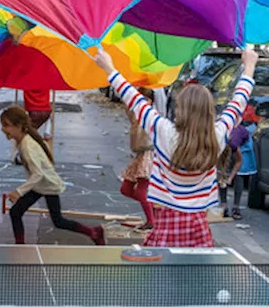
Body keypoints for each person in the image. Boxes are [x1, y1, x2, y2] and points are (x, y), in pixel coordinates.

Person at [96, 48, 257, 248]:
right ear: (209, 111)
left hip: (165, 229)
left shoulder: (163, 132)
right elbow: (238, 102)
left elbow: (133, 99)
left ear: (179, 110)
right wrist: (249, 66)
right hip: (199, 232)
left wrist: (109, 68)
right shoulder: (218, 136)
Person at [1, 107, 105, 245]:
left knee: (58, 221)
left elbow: (38, 174)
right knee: (15, 212)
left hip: (47, 185)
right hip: (39, 185)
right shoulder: (23, 141)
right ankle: (19, 245)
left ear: (19, 126)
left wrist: (18, 192)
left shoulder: (27, 145)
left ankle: (93, 232)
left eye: (6, 125)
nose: (3, 129)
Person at [119, 88, 155, 231]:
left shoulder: (151, 115)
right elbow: (127, 107)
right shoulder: (136, 114)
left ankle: (151, 220)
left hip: (148, 152)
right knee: (125, 188)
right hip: (140, 153)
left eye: (145, 99)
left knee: (141, 190)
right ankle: (152, 210)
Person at [220, 106, 257, 221]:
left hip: (243, 147)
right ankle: (223, 205)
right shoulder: (217, 139)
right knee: (222, 177)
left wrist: (230, 177)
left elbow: (238, 161)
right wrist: (223, 176)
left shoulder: (234, 142)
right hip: (227, 147)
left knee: (239, 175)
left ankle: (236, 207)